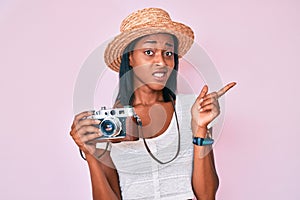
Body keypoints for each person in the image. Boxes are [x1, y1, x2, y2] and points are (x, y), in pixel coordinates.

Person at [70, 7, 236, 200]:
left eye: (168, 53)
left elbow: (206, 196)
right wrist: (90, 154)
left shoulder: (193, 110)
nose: (162, 62)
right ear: (130, 57)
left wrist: (200, 128)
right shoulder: (109, 124)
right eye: (149, 51)